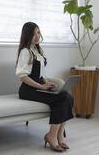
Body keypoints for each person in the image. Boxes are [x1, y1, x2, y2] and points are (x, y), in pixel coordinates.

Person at [15, 22, 74, 152]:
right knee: (61, 98)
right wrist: (41, 87)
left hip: (38, 87)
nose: (37, 36)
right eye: (33, 33)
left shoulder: (37, 50)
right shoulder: (25, 52)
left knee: (68, 97)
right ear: (27, 35)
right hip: (28, 90)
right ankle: (51, 136)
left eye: (38, 32)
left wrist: (47, 83)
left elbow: (40, 74)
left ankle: (59, 135)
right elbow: (23, 77)